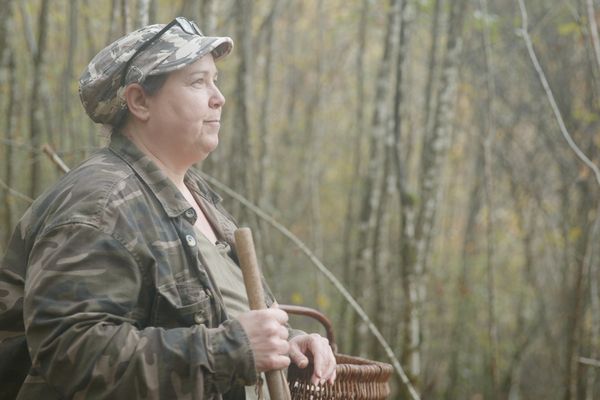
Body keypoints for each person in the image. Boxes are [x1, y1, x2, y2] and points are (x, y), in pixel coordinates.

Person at [0, 17, 336, 400]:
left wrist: (288, 342)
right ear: (140, 101)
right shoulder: (101, 203)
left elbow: (222, 317)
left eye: (216, 80)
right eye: (198, 82)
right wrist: (231, 349)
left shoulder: (194, 194)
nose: (218, 97)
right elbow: (71, 354)